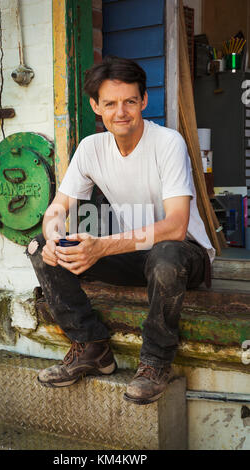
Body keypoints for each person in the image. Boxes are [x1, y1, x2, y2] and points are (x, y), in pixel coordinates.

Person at [27, 56, 215, 405]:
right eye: (110, 103)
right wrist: (54, 237)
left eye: (130, 101)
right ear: (96, 106)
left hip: (184, 256)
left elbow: (175, 225)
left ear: (144, 101)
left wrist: (101, 245)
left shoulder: (168, 142)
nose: (121, 112)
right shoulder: (91, 148)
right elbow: (58, 207)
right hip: (133, 253)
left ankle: (155, 363)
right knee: (39, 247)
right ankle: (91, 346)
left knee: (165, 256)